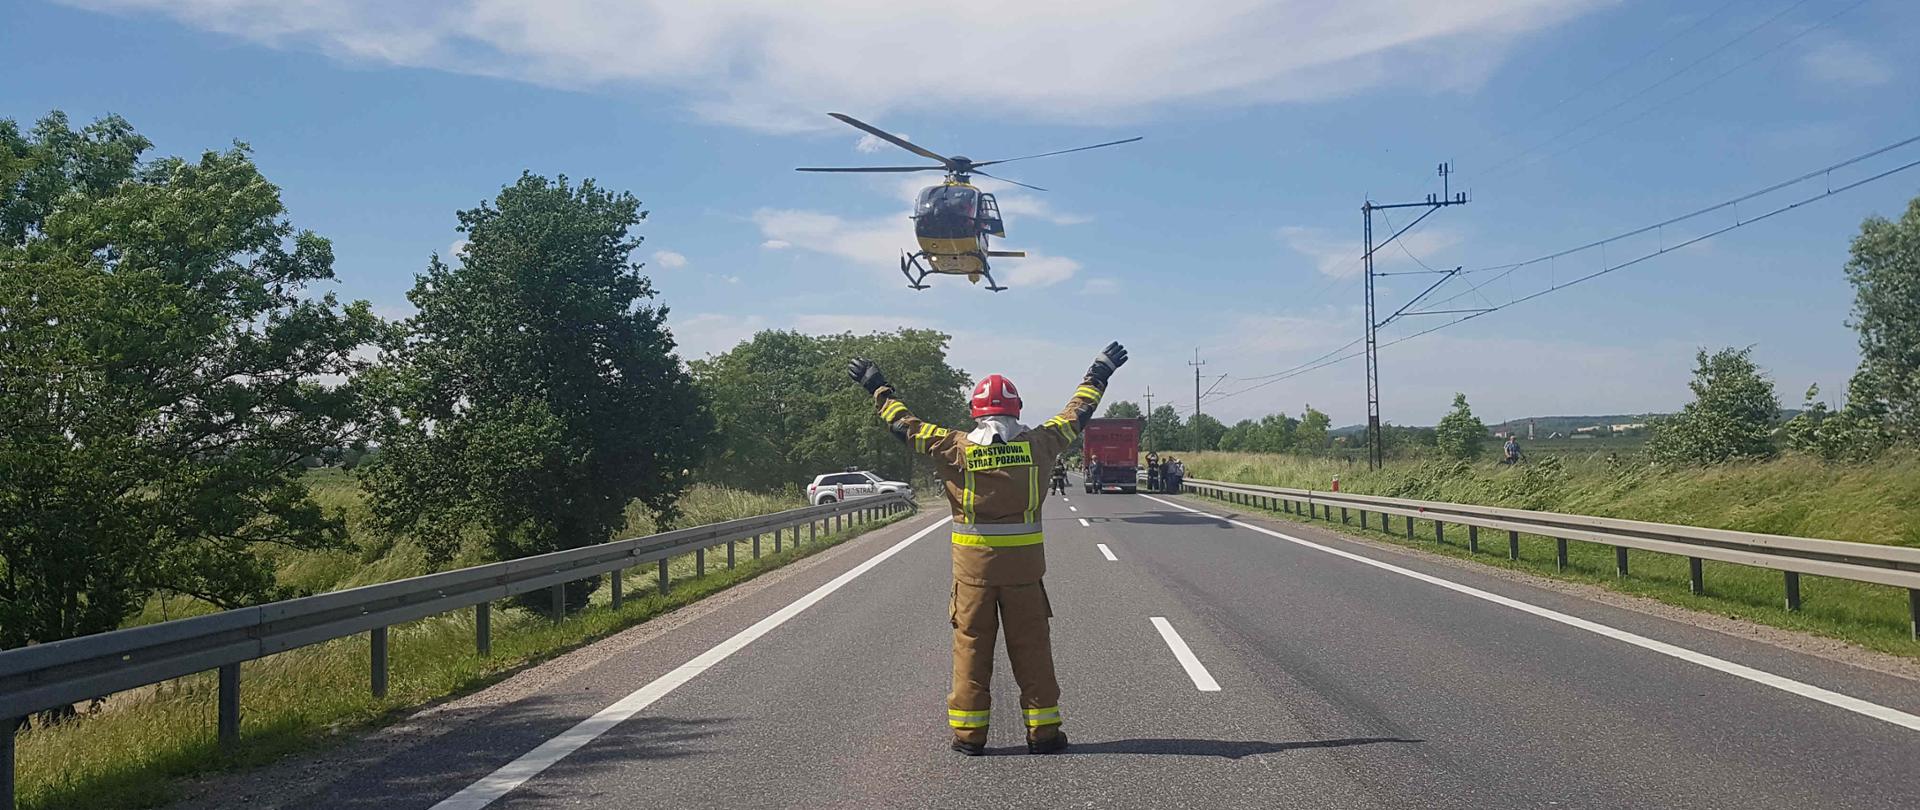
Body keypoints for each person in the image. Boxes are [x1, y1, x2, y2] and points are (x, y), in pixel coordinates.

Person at [848, 342, 1128, 757]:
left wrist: (878, 387)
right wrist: (1099, 372)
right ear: (1017, 409)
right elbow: (1078, 414)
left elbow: (904, 426)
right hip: (1025, 573)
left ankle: (970, 736)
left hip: (973, 574)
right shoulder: (1040, 444)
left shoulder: (955, 446)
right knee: (1032, 650)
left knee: (971, 649)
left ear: (975, 411)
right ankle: (1044, 733)